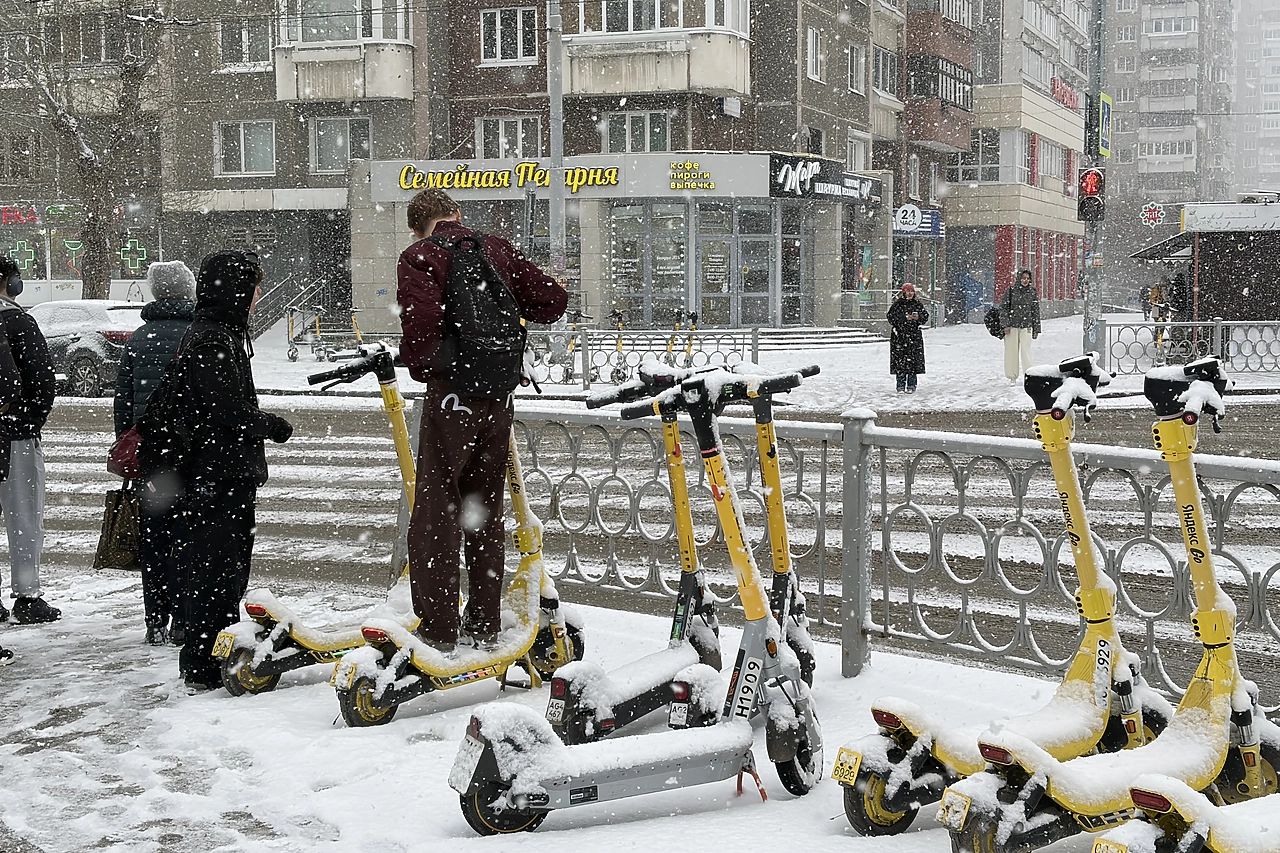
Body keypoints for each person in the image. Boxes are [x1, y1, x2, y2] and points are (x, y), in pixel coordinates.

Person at [397, 188, 567, 652]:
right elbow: (552, 301)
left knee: (437, 507)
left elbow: (421, 323)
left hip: (453, 397)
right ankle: (485, 621)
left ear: (418, 226)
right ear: (456, 214)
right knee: (483, 509)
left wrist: (429, 365)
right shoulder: (494, 247)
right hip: (498, 394)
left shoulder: (421, 255)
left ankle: (438, 628)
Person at [163, 251, 293, 690]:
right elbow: (226, 411)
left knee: (218, 570)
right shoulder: (214, 340)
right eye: (254, 286)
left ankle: (208, 655)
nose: (258, 295)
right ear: (235, 289)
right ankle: (204, 662)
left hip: (218, 473)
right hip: (216, 476)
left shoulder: (218, 333)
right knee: (216, 572)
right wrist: (271, 426)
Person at [115, 261, 197, 646]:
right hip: (191, 451)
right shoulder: (197, 335)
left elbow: (123, 403)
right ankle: (184, 617)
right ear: (188, 291)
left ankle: (155, 619)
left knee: (155, 538)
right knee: (188, 536)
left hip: (150, 455)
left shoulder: (138, 339)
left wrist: (129, 446)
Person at [0, 257, 58, 626]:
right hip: (15, 435)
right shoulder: (17, 319)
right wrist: (29, 421)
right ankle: (27, 595)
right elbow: (42, 378)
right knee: (23, 518)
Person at [1000, 268, 1041, 384]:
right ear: (1019, 279)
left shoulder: (1032, 292)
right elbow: (1003, 308)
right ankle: (1012, 376)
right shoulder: (1011, 291)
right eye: (1023, 278)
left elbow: (1035, 311)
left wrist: (1036, 329)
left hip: (1026, 325)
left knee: (1026, 351)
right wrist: (1005, 324)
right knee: (1011, 351)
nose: (1025, 280)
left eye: (1027, 278)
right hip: (1012, 326)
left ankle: (1029, 375)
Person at [887, 282, 928, 393]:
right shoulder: (898, 304)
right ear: (904, 292)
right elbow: (891, 317)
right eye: (908, 291)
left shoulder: (917, 304)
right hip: (900, 336)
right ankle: (900, 385)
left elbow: (925, 317)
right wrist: (904, 319)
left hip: (914, 337)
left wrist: (917, 318)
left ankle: (911, 385)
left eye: (911, 291)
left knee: (913, 363)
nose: (910, 293)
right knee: (901, 362)